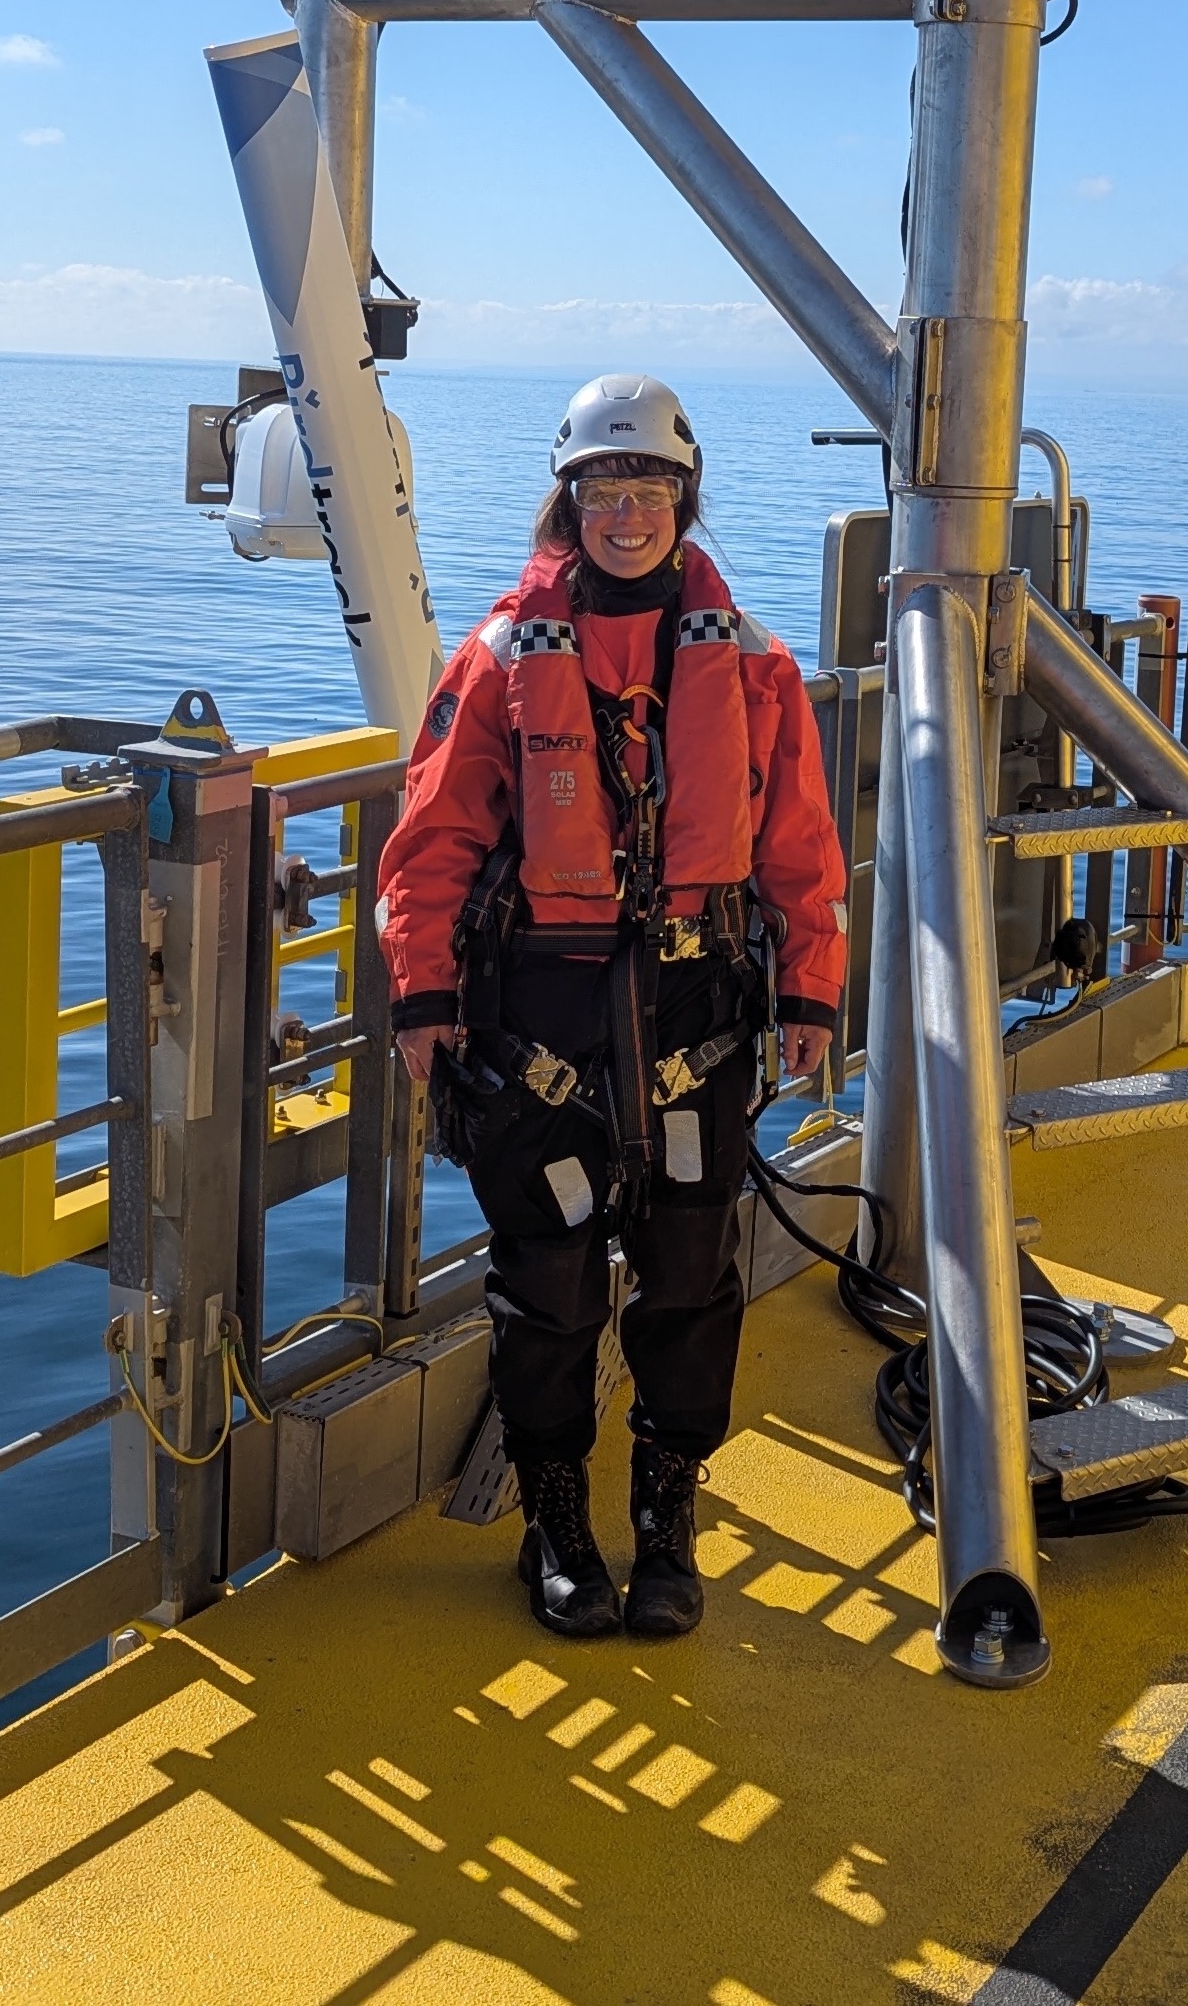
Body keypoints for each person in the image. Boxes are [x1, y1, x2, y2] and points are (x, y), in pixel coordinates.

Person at [376, 374, 847, 1642]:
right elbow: (428, 842)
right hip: (545, 1017)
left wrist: (809, 987)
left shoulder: (753, 664)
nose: (626, 512)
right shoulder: (496, 658)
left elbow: (801, 844)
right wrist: (424, 1002)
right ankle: (556, 1525)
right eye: (603, 489)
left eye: (648, 491)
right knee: (552, 1288)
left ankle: (664, 1519)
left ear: (684, 504)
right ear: (567, 499)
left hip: (698, 1009)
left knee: (691, 1279)